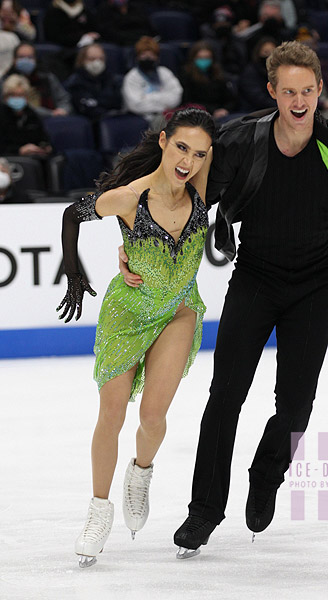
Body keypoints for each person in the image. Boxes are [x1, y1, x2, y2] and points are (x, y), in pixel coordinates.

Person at [161, 41, 328, 557]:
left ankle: (266, 473)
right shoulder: (241, 141)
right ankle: (203, 511)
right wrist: (140, 242)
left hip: (314, 285)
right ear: (272, 92)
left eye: (308, 90)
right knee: (224, 398)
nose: (299, 100)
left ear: (321, 90)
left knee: (295, 407)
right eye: (288, 91)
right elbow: (187, 194)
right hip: (254, 278)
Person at [56, 107, 215, 568]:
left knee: (153, 415)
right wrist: (73, 271)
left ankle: (140, 473)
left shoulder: (203, 188)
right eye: (182, 147)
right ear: (164, 142)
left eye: (200, 153)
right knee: (111, 414)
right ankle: (98, 509)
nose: (188, 161)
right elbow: (72, 214)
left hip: (178, 311)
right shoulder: (128, 197)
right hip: (126, 314)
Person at [122, 36, 183, 129]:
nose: (147, 58)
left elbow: (176, 97)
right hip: (140, 118)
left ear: (157, 57)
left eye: (151, 55)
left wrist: (148, 98)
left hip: (166, 115)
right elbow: (135, 105)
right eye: (143, 55)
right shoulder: (132, 77)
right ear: (137, 57)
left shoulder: (165, 72)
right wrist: (163, 99)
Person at [2, 42, 72, 117]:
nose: (25, 60)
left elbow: (63, 98)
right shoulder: (6, 81)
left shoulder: (47, 77)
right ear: (14, 60)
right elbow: (22, 106)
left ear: (36, 59)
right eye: (21, 57)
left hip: (53, 119)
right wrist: (50, 114)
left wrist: (62, 110)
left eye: (30, 57)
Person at [180, 40, 237, 121]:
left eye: (207, 57)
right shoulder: (186, 74)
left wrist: (225, 109)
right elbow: (188, 101)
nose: (204, 60)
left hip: (222, 113)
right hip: (198, 115)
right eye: (200, 58)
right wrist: (213, 111)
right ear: (193, 58)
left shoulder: (218, 73)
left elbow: (230, 98)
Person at [64, 43, 122, 121]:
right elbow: (87, 108)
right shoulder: (74, 82)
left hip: (113, 120)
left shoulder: (114, 79)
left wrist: (99, 103)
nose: (97, 63)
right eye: (92, 59)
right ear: (82, 61)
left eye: (101, 59)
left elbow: (117, 102)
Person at [0, 74, 52, 156]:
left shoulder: (32, 115)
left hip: (33, 157)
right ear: (5, 97)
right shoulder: (2, 115)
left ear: (26, 97)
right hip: (9, 158)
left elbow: (42, 138)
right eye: (13, 95)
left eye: (20, 95)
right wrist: (19, 150)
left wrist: (45, 147)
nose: (17, 99)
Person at [238, 36, 278, 111]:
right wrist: (278, 105)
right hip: (255, 111)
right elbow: (257, 98)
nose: (270, 56)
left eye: (273, 52)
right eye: (266, 52)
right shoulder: (250, 72)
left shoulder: (279, 71)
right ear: (258, 53)